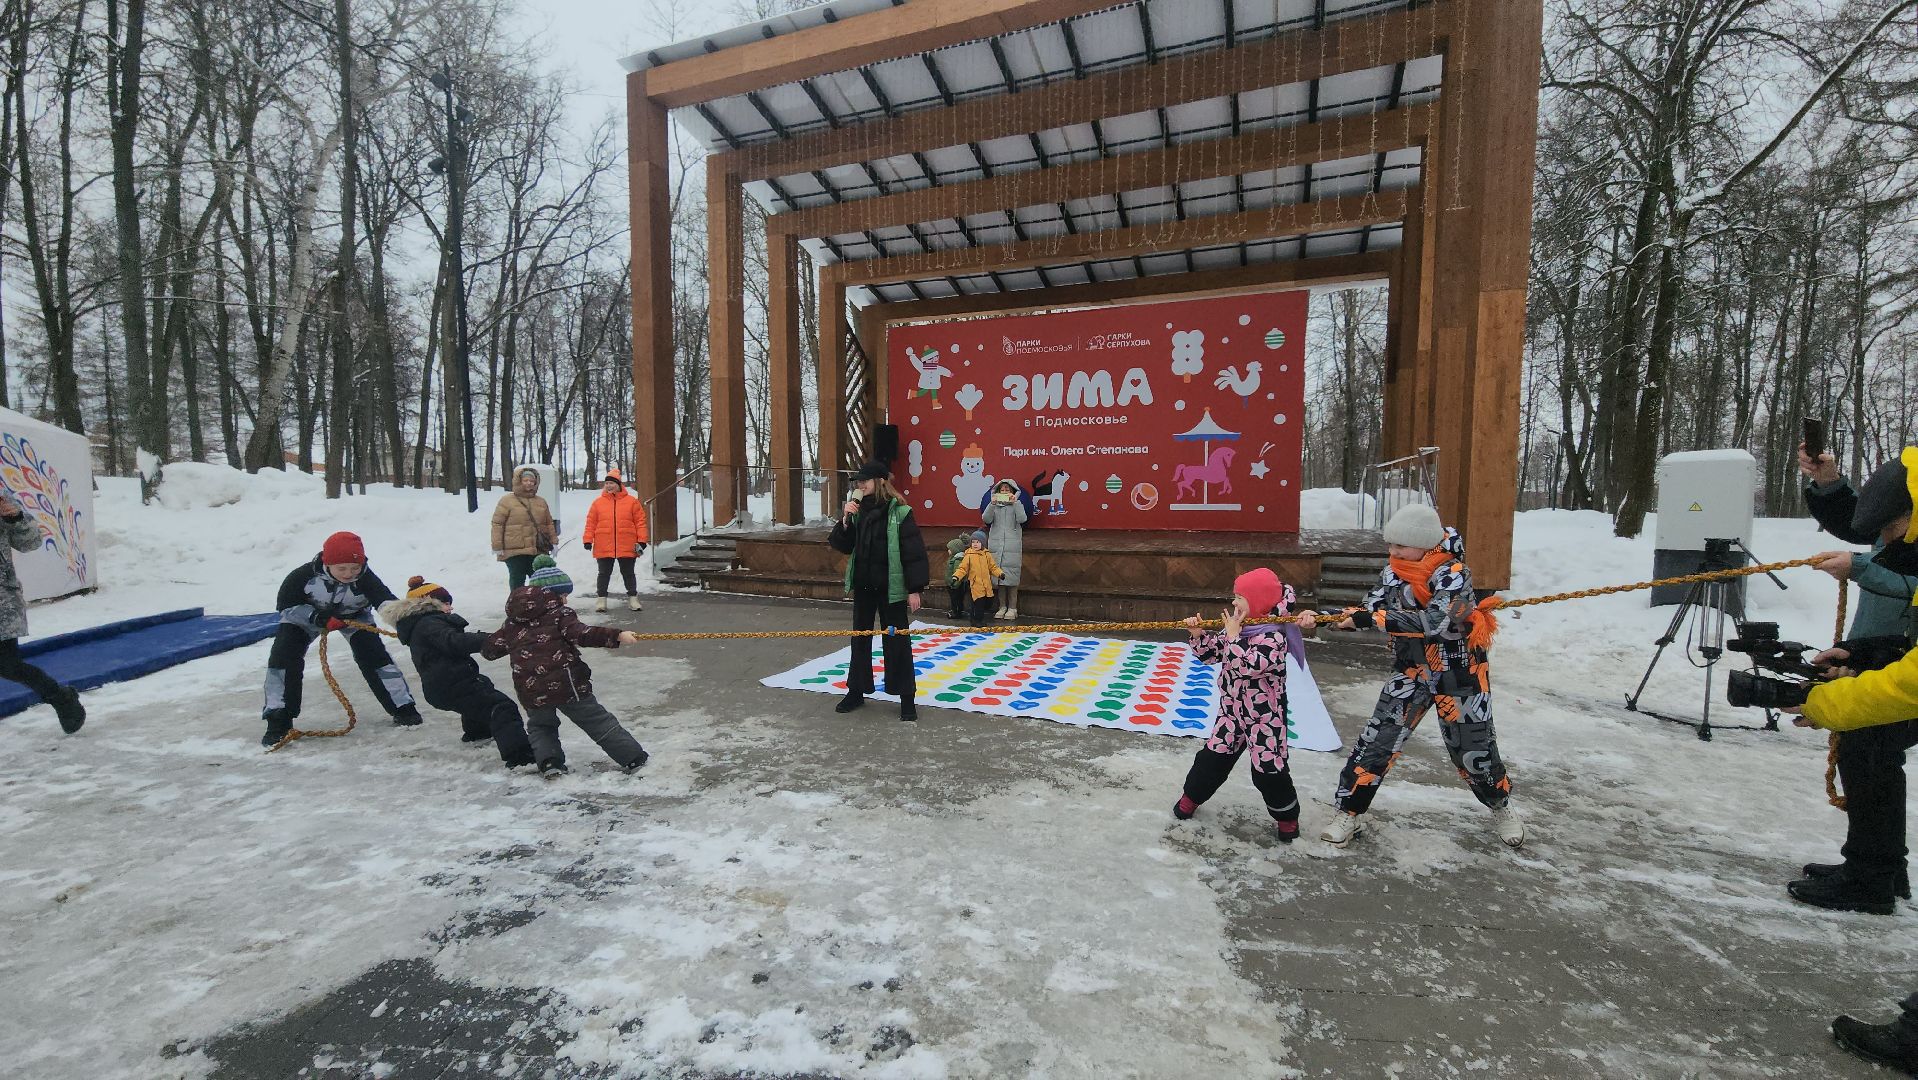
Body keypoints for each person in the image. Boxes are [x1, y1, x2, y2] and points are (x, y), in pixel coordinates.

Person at [1784, 446, 1918, 1071]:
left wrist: (1832, 703)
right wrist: (1864, 653)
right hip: (1888, 653)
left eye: (1896, 531)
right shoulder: (1902, 516)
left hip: (1898, 673)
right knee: (1869, 758)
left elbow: (1888, 565)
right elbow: (1867, 532)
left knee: (1874, 751)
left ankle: (1872, 877)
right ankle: (1878, 866)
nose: (1888, 541)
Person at [1319, 504, 1523, 849]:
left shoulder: (1455, 574)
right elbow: (1369, 608)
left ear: (1425, 544)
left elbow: (1435, 623)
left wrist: (1371, 620)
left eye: (1400, 545)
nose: (1392, 552)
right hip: (1411, 670)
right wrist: (1325, 617)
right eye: (1391, 545)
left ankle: (1501, 805)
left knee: (1474, 749)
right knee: (1377, 741)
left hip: (1460, 673)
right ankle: (1349, 813)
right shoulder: (1393, 572)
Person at [1171, 568, 1316, 843]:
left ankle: (1287, 817)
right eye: (1235, 596)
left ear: (1259, 602)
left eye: (1240, 597)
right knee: (1211, 760)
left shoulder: (1273, 638)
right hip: (1231, 712)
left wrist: (1235, 637)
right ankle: (1191, 797)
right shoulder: (1240, 626)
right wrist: (1198, 633)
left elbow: (1248, 667)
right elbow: (1212, 654)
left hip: (1265, 718)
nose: (1234, 603)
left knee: (1268, 770)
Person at [481, 556, 647, 777]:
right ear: (551, 595)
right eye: (564, 595)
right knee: (595, 720)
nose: (566, 601)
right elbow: (582, 634)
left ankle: (550, 764)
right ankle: (633, 757)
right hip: (566, 683)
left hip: (529, 688)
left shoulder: (512, 622)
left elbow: (491, 649)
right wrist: (617, 636)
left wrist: (484, 644)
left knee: (541, 726)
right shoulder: (560, 614)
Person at [261, 531, 421, 748]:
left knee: (375, 657)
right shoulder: (301, 577)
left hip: (354, 618)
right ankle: (278, 720)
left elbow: (385, 602)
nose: (349, 574)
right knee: (283, 658)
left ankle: (403, 707)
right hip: (304, 619)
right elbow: (286, 607)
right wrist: (317, 618)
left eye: (355, 568)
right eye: (342, 569)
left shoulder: (365, 577)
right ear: (327, 563)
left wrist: (406, 623)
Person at [380, 577, 534, 768]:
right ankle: (521, 757)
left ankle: (477, 733)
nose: (450, 608)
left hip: (443, 686)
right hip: (452, 684)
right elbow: (454, 641)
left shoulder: (421, 625)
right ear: (428, 605)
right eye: (446, 603)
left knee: (481, 688)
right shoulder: (430, 624)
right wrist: (487, 640)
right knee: (500, 706)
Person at [828, 460, 930, 723]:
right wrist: (845, 520)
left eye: (864, 481)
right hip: (863, 585)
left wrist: (915, 588)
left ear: (879, 481)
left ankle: (906, 697)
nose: (859, 485)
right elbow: (842, 545)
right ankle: (856, 691)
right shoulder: (857, 511)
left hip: (891, 588)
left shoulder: (900, 511)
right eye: (858, 482)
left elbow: (914, 552)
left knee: (897, 641)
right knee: (860, 639)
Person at [0, 491, 83, 733]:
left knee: (8, 666)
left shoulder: (3, 502)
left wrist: (15, 519)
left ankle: (60, 698)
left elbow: (31, 541)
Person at [583, 468, 647, 614]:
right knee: (603, 573)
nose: (609, 486)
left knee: (628, 573)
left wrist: (642, 540)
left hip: (627, 543)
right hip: (603, 543)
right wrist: (587, 539)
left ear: (619, 485)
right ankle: (601, 600)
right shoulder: (598, 503)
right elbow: (591, 522)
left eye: (612, 483)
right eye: (607, 483)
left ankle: (633, 599)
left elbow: (640, 522)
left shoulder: (632, 502)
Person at [491, 467, 557, 590]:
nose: (529, 483)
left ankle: (538, 605)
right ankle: (516, 606)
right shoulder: (507, 501)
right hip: (515, 550)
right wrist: (497, 546)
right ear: (519, 481)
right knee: (517, 580)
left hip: (537, 549)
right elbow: (497, 524)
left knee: (539, 581)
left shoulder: (541, 502)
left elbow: (548, 523)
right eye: (526, 480)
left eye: (532, 481)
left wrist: (554, 542)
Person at [982, 479, 1029, 620]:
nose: (1004, 492)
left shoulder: (1016, 505)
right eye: (1002, 490)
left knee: (1012, 580)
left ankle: (1012, 608)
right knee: (999, 580)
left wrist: (1016, 503)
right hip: (996, 548)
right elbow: (986, 519)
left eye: (1007, 490)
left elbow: (1022, 519)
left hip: (1012, 547)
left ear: (1013, 492)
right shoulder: (994, 506)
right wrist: (992, 504)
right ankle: (1002, 607)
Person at [952, 530, 1006, 628]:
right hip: (975, 584)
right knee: (978, 604)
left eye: (978, 542)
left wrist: (1000, 574)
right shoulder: (969, 555)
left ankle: (975, 617)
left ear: (983, 543)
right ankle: (977, 620)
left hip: (986, 584)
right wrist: (956, 576)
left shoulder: (986, 554)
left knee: (989, 601)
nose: (975, 544)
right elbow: (962, 568)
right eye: (973, 542)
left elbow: (993, 567)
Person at [943, 536, 968, 620]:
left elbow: (958, 572)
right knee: (955, 599)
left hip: (955, 585)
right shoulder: (953, 558)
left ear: (955, 550)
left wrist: (955, 584)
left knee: (956, 600)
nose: (948, 550)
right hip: (951, 584)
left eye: (950, 549)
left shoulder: (958, 560)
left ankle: (956, 612)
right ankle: (956, 611)